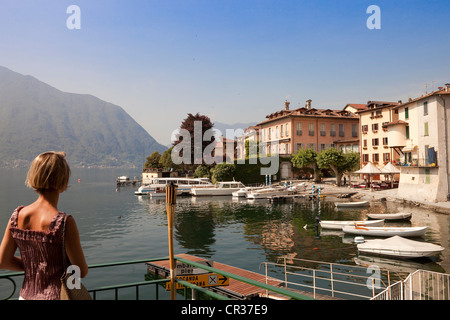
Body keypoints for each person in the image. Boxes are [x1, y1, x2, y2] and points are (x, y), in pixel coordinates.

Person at [0, 151, 88, 300]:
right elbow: (81, 270)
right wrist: (48, 267)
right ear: (64, 179)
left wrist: (34, 266)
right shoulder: (64, 222)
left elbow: (3, 261)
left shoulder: (17, 216)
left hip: (25, 296)